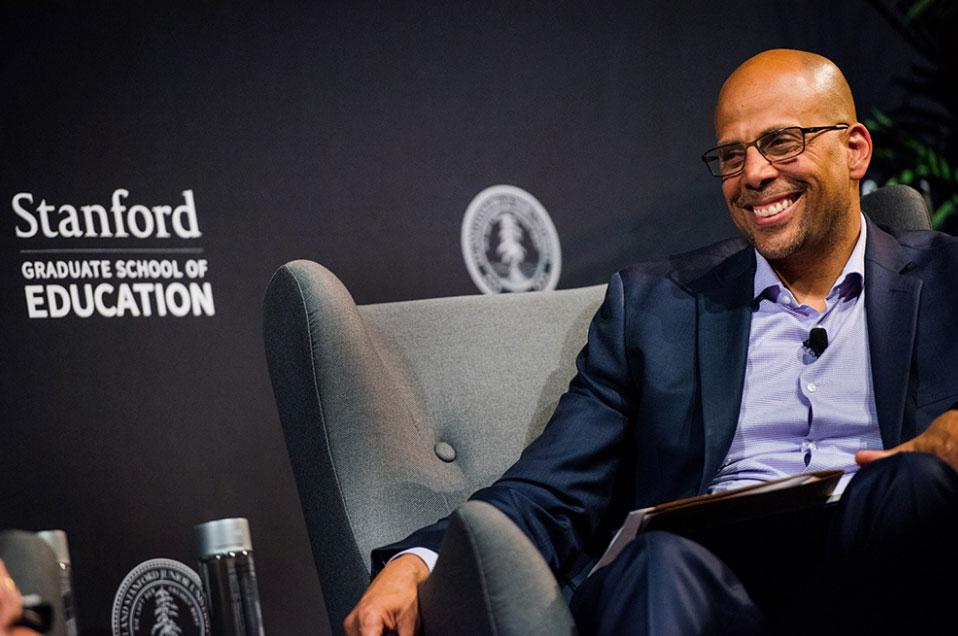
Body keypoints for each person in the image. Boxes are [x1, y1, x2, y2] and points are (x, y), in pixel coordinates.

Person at [344, 49, 958, 635]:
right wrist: (421, 559)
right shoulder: (656, 306)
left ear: (854, 150)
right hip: (706, 586)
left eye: (781, 142)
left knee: (914, 485)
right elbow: (555, 485)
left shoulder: (949, 280)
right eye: (731, 155)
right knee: (655, 562)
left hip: (878, 561)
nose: (755, 174)